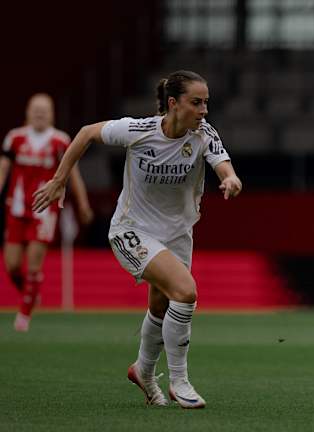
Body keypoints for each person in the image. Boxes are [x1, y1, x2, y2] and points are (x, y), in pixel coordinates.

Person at [32, 70, 242, 408]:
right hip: (132, 230)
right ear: (173, 104)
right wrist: (59, 180)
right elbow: (86, 133)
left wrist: (231, 180)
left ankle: (143, 371)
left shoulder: (203, 134)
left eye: (206, 103)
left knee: (161, 304)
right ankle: (179, 380)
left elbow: (224, 165)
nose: (204, 110)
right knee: (185, 292)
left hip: (177, 234)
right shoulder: (138, 130)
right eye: (196, 102)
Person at [0, 93, 93, 332]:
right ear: (27, 112)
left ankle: (23, 316)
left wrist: (82, 204)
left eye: (44, 110)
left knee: (33, 263)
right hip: (16, 207)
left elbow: (73, 175)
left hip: (44, 211)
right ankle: (30, 293)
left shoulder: (61, 141)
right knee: (11, 264)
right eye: (35, 109)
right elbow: (3, 169)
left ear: (52, 114)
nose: (39, 114)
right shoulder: (15, 138)